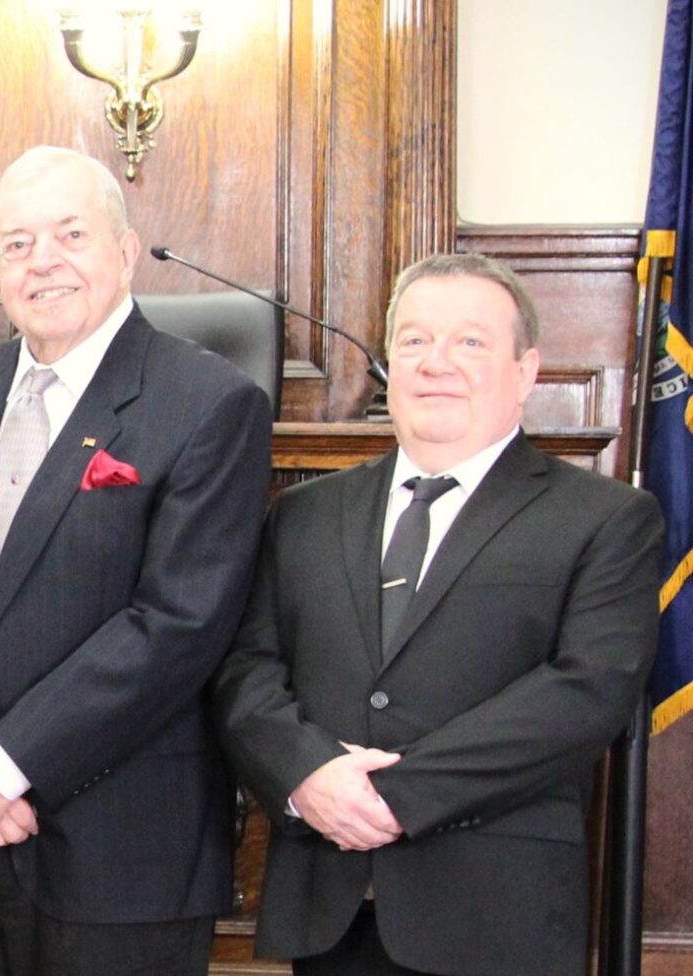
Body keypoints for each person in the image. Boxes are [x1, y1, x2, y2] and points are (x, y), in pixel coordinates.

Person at [0, 144, 273, 975]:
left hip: (119, 862)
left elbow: (176, 626)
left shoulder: (210, 403)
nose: (41, 262)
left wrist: (5, 768)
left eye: (69, 235)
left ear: (124, 252)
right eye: (16, 244)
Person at [212, 253, 659, 976]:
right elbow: (245, 669)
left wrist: (393, 797)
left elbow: (586, 693)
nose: (436, 363)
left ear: (526, 371)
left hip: (495, 913)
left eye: (470, 342)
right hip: (332, 908)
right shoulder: (302, 515)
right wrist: (307, 775)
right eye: (415, 341)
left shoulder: (606, 519)